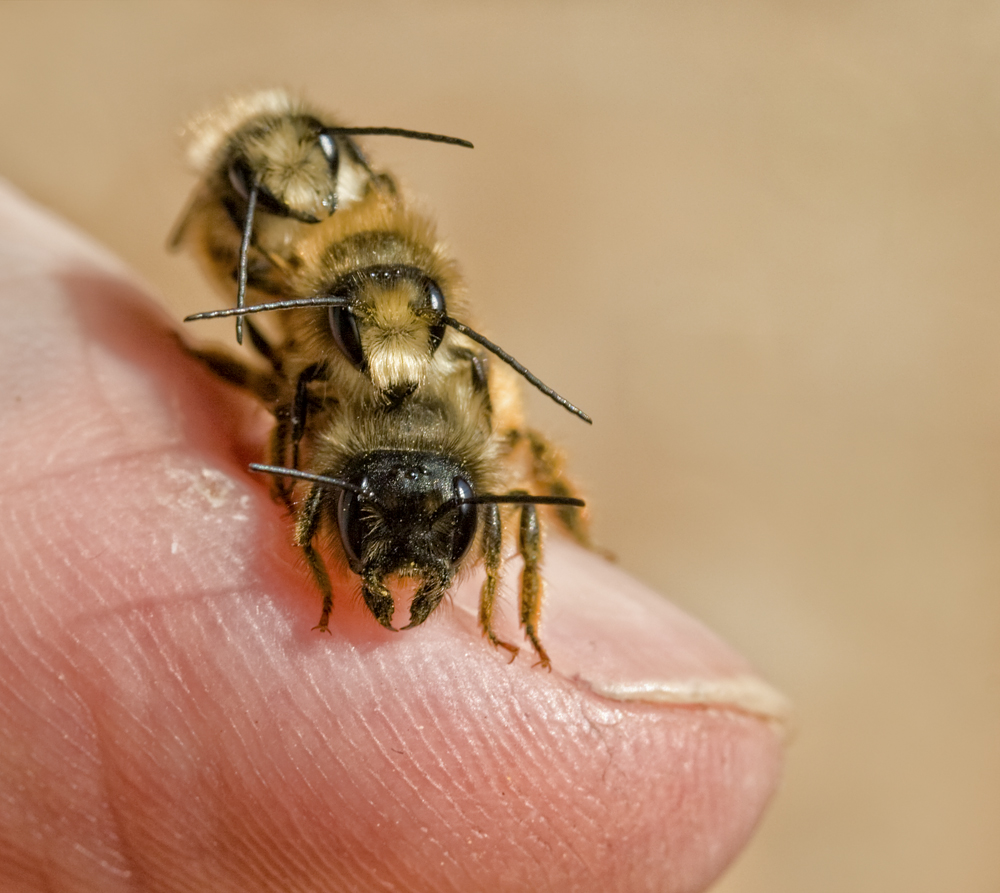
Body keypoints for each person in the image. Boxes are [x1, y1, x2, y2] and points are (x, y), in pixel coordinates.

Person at [0, 181, 786, 892]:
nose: (408, 555)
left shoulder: (472, 422)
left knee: (531, 464)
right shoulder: (317, 401)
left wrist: (522, 620)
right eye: (343, 514)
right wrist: (302, 536)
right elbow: (290, 408)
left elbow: (520, 478)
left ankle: (545, 596)